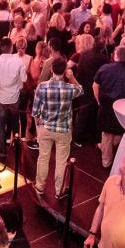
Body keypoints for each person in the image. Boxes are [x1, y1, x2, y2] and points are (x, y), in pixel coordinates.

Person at [30, 56, 82, 198]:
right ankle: (59, 191)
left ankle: (40, 187)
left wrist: (39, 128)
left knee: (43, 158)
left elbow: (35, 111)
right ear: (65, 70)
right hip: (63, 130)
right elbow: (81, 90)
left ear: (52, 69)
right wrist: (71, 77)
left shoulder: (42, 86)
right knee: (61, 162)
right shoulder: (69, 88)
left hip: (45, 128)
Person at [93, 46, 125, 168]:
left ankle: (106, 161)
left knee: (107, 135)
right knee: (119, 134)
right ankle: (111, 154)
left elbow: (95, 85)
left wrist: (99, 101)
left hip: (106, 107)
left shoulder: (104, 68)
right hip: (122, 111)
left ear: (115, 55)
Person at [0, 38, 27, 160]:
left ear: (1, 48)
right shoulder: (19, 61)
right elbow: (24, 79)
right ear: (11, 48)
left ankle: (3, 151)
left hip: (1, 98)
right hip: (14, 98)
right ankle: (16, 146)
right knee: (15, 123)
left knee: (1, 125)